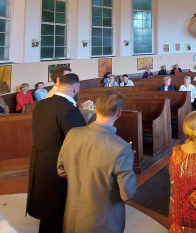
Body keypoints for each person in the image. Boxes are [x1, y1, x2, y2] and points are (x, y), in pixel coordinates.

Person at [58, 91, 137, 233]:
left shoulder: (73, 133)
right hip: (102, 221)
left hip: (72, 217)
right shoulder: (121, 147)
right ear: (119, 112)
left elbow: (61, 170)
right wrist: (128, 162)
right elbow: (127, 193)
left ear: (95, 109)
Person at [27, 73, 87, 232]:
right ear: (75, 88)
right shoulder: (69, 110)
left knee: (46, 203)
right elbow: (78, 140)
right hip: (59, 164)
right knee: (58, 207)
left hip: (40, 160)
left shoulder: (41, 104)